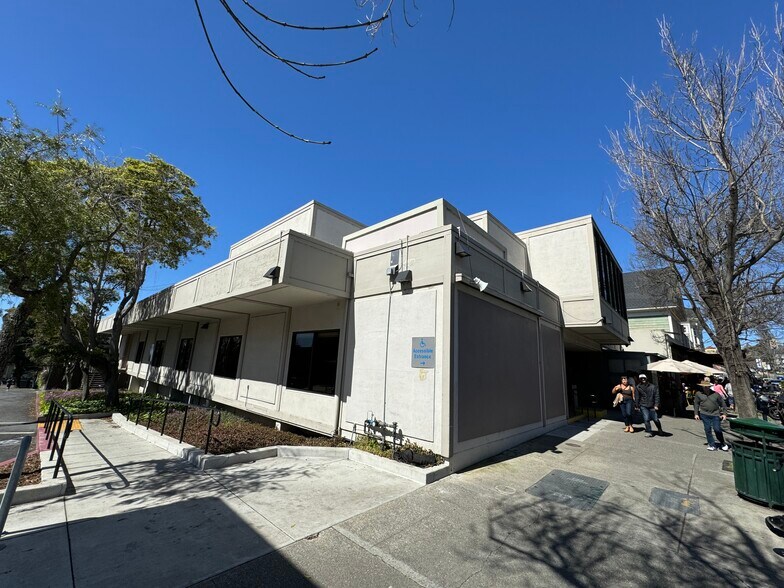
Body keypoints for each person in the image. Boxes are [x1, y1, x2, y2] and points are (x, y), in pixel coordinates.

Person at [694, 377, 729, 451]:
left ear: (710, 387)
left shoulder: (716, 394)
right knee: (707, 429)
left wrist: (724, 414)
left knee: (717, 429)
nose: (705, 388)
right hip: (704, 414)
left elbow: (723, 404)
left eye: (707, 387)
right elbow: (696, 404)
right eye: (704, 387)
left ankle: (723, 443)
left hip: (715, 414)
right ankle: (712, 444)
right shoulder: (698, 394)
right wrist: (696, 413)